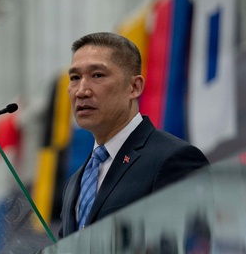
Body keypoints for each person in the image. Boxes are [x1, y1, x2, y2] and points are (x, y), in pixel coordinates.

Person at [58, 32, 209, 238]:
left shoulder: (173, 159)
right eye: (75, 78)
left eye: (97, 75)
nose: (81, 91)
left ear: (134, 87)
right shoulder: (77, 181)